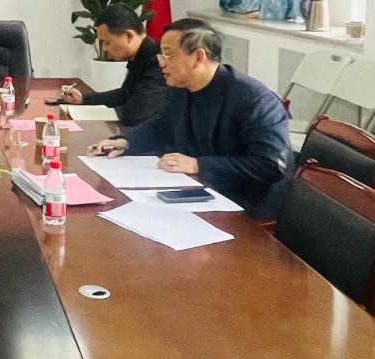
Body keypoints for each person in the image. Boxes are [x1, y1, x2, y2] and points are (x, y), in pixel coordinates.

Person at [88, 18, 294, 218]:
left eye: (168, 55)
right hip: (200, 189)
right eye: (161, 56)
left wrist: (199, 165)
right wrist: (126, 141)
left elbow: (271, 166)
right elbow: (163, 125)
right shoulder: (181, 87)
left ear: (197, 57)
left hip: (244, 205)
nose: (161, 63)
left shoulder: (253, 99)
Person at [61, 3, 166, 125]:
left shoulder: (158, 62)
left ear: (128, 36)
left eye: (107, 42)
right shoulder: (141, 55)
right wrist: (84, 99)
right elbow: (125, 94)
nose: (105, 49)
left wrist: (95, 113)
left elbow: (136, 113)